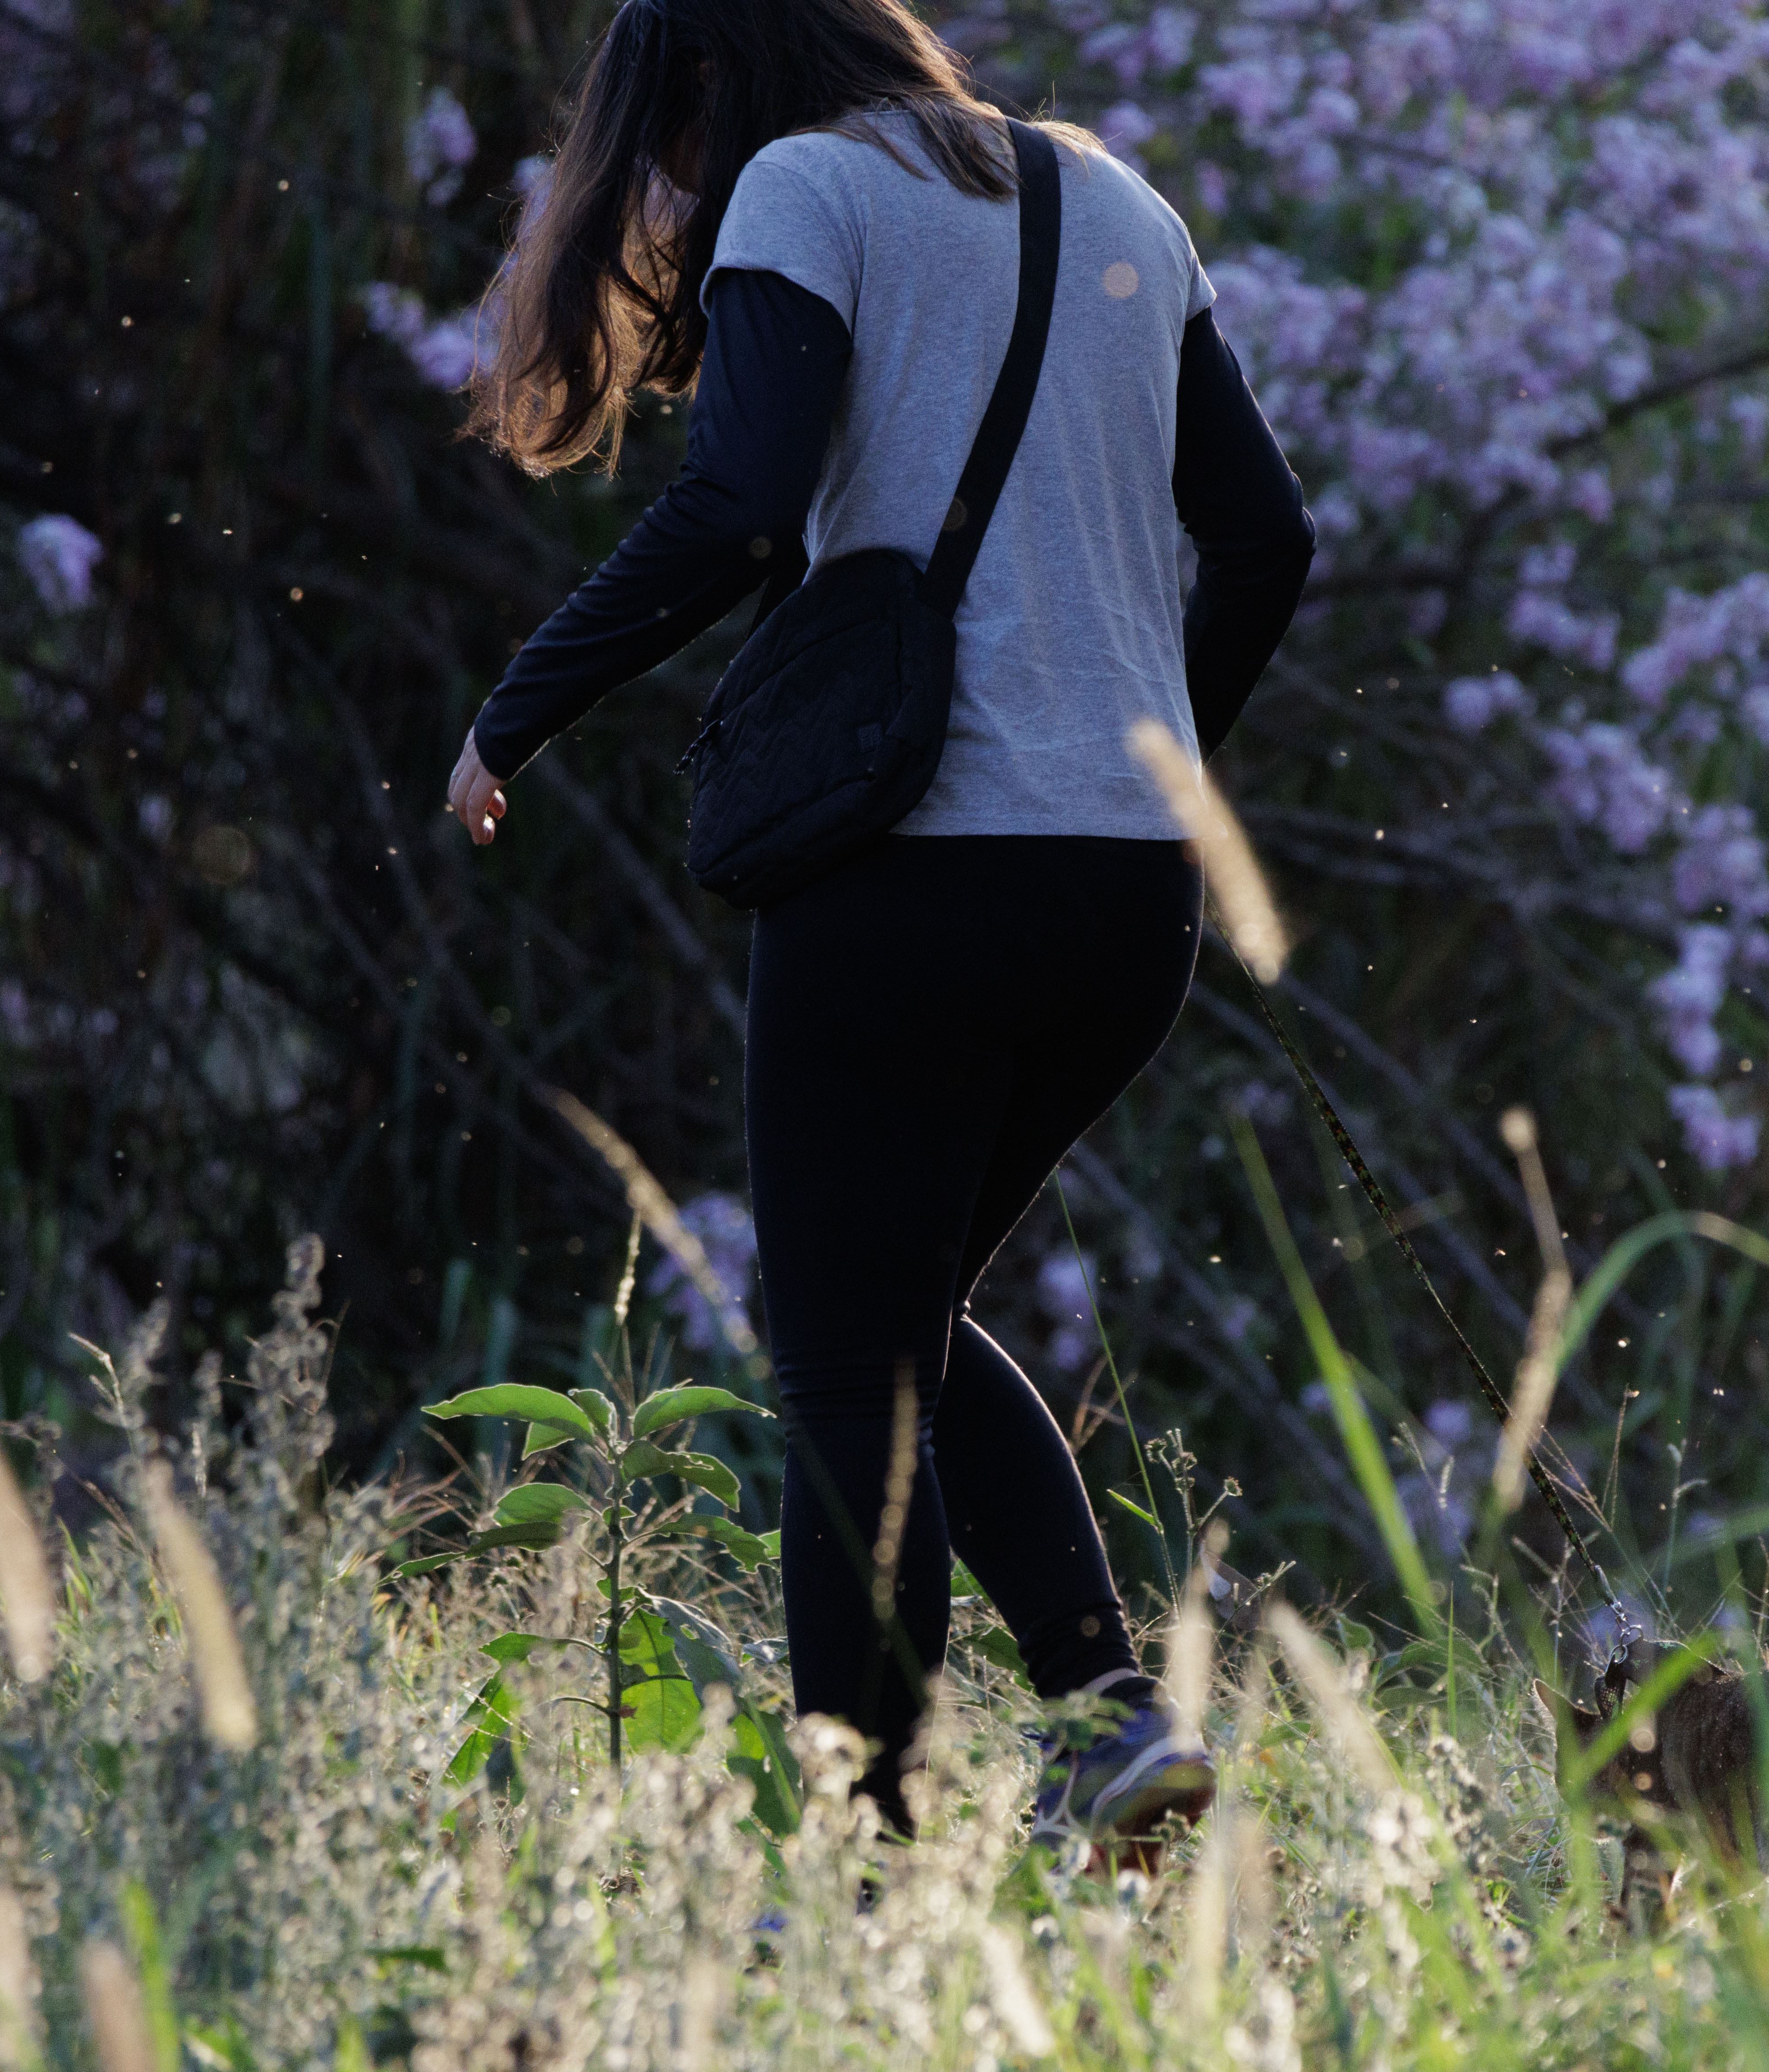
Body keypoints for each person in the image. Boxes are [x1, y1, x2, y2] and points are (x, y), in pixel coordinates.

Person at [441, 0, 1314, 1843]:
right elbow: (1268, 539)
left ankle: (866, 1862)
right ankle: (1103, 1715)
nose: (668, 191)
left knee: (847, 1370)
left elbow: (747, 505)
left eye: (657, 146)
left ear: (705, 78)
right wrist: (1148, 771)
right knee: (895, 1325)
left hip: (907, 874)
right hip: (1122, 902)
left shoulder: (808, 195)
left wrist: (522, 698)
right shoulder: (1125, 203)